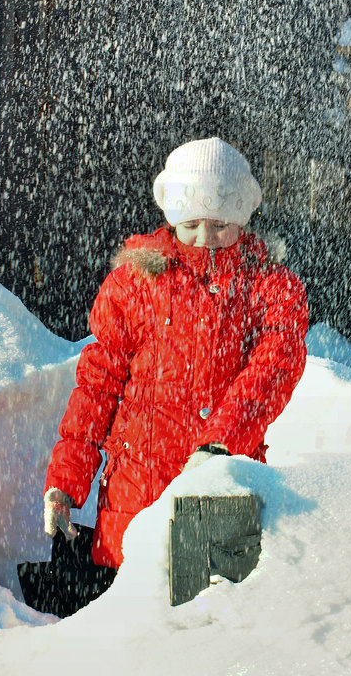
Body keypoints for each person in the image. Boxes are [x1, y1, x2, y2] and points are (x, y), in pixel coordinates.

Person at [42, 136, 309, 589]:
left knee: (209, 633)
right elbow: (97, 384)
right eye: (192, 224)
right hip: (133, 494)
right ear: (171, 216)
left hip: (220, 491)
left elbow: (274, 368)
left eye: (220, 224)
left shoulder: (268, 286)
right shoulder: (136, 282)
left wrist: (221, 443)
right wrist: (67, 479)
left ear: (242, 216)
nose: (205, 238)